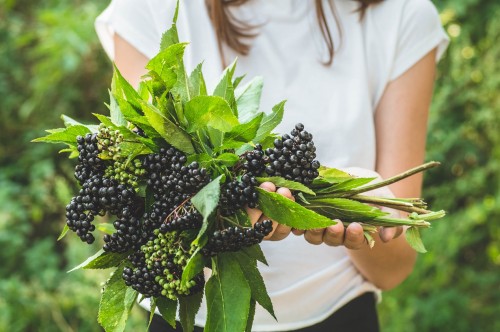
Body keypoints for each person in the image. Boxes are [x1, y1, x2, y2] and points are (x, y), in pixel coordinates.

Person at [95, 0, 449, 331]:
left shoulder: (402, 13)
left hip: (339, 314)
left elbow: (394, 269)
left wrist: (363, 204)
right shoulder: (151, 7)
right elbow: (148, 201)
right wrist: (224, 216)